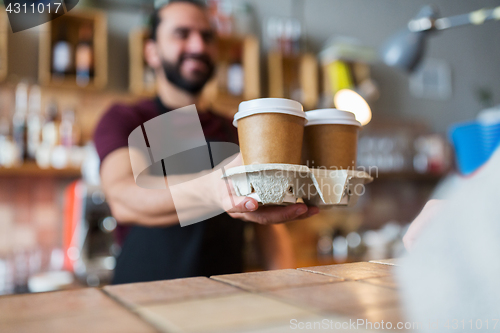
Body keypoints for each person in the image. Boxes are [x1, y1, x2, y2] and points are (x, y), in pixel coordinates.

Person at [94, 0, 319, 284]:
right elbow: (123, 198)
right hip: (142, 302)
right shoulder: (126, 119)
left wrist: (289, 289)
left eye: (207, 36)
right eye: (182, 34)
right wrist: (216, 187)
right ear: (151, 51)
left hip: (225, 306)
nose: (198, 46)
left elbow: (267, 229)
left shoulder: (236, 128)